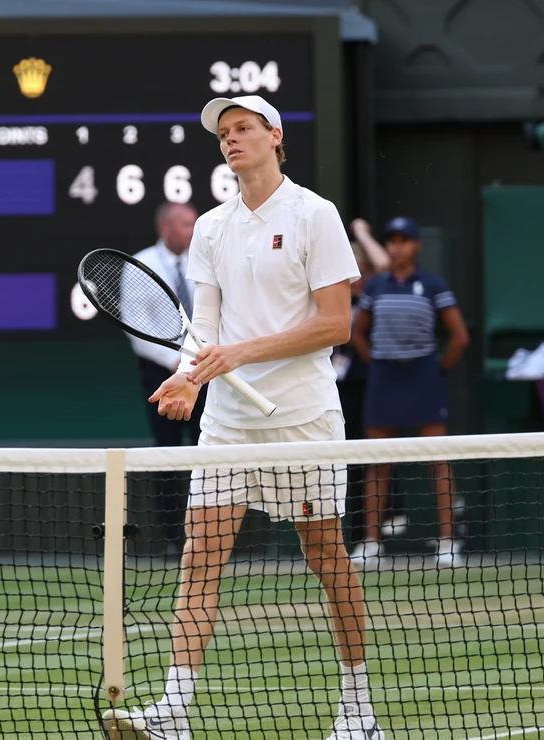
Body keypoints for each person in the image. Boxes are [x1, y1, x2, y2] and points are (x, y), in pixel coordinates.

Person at [101, 95, 382, 740]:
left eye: (244, 129)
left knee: (326, 559)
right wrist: (187, 377)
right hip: (227, 422)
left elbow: (335, 323)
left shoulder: (316, 215)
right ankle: (174, 712)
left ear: (275, 137)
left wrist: (239, 353)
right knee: (200, 558)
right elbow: (202, 327)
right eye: (224, 133)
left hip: (304, 419)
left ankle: (357, 706)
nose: (232, 141)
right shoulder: (210, 226)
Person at [348, 216, 470, 568]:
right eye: (392, 241)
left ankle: (448, 544)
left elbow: (460, 337)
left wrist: (436, 370)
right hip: (385, 379)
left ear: (416, 245)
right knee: (378, 464)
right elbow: (357, 334)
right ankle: (371, 544)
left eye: (404, 240)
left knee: (438, 462)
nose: (397, 246)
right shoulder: (375, 287)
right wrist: (379, 365)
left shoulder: (433, 286)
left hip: (423, 378)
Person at [130, 201, 208, 554]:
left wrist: (199, 362)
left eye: (194, 224)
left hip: (206, 371)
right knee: (168, 457)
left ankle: (210, 534)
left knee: (208, 452)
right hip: (161, 375)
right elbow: (137, 329)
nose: (192, 231)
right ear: (165, 228)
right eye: (185, 225)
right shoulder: (140, 264)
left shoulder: (205, 259)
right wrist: (179, 363)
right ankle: (174, 538)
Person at [334, 221, 390, 541]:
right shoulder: (331, 297)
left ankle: (390, 515)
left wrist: (365, 235)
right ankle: (356, 534)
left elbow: (384, 265)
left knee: (376, 456)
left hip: (369, 383)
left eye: (360, 270)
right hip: (336, 388)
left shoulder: (375, 291)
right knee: (347, 461)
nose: (354, 277)